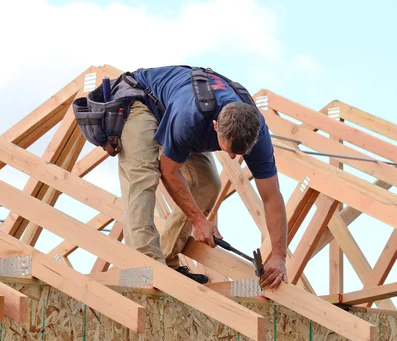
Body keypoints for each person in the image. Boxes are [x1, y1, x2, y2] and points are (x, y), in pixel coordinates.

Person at [90, 65, 287, 290]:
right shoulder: (190, 117)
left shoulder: (258, 133)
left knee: (209, 185)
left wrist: (279, 255)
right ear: (215, 127)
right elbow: (169, 171)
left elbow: (271, 196)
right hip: (141, 101)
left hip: (181, 114)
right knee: (143, 176)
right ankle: (144, 270)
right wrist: (198, 221)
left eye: (240, 152)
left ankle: (167, 259)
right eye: (229, 148)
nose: (232, 156)